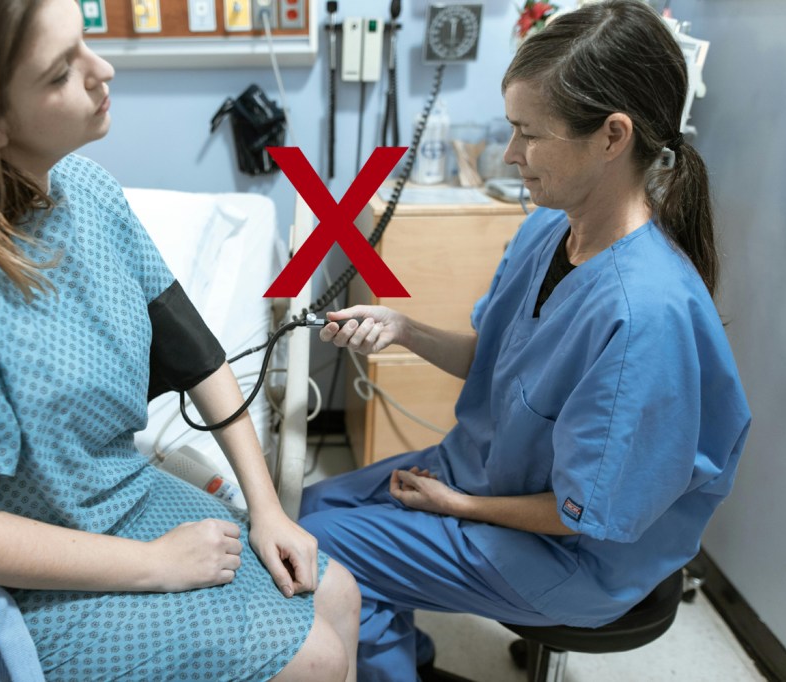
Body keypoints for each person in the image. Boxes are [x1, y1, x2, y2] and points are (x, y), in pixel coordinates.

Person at [0, 0, 361, 679]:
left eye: (87, 44)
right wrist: (153, 566)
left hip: (113, 495)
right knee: (315, 660)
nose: (105, 71)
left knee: (338, 592)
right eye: (63, 72)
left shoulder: (88, 193)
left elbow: (198, 356)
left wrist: (268, 509)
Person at [299, 1, 751, 679]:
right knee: (313, 504)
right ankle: (397, 652)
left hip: (572, 553)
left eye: (528, 134)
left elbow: (587, 515)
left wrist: (457, 506)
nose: (510, 154)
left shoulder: (645, 316)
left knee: (319, 548)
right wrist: (403, 327)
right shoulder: (551, 228)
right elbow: (498, 359)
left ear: (611, 136)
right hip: (491, 471)